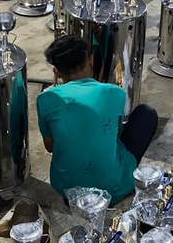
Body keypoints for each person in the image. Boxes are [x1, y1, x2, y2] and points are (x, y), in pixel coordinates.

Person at [36, 35, 159, 205]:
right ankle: (120, 180)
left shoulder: (45, 99)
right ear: (91, 60)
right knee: (146, 113)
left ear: (56, 71)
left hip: (67, 189)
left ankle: (79, 188)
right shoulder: (115, 93)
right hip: (111, 190)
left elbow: (49, 146)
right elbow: (114, 134)